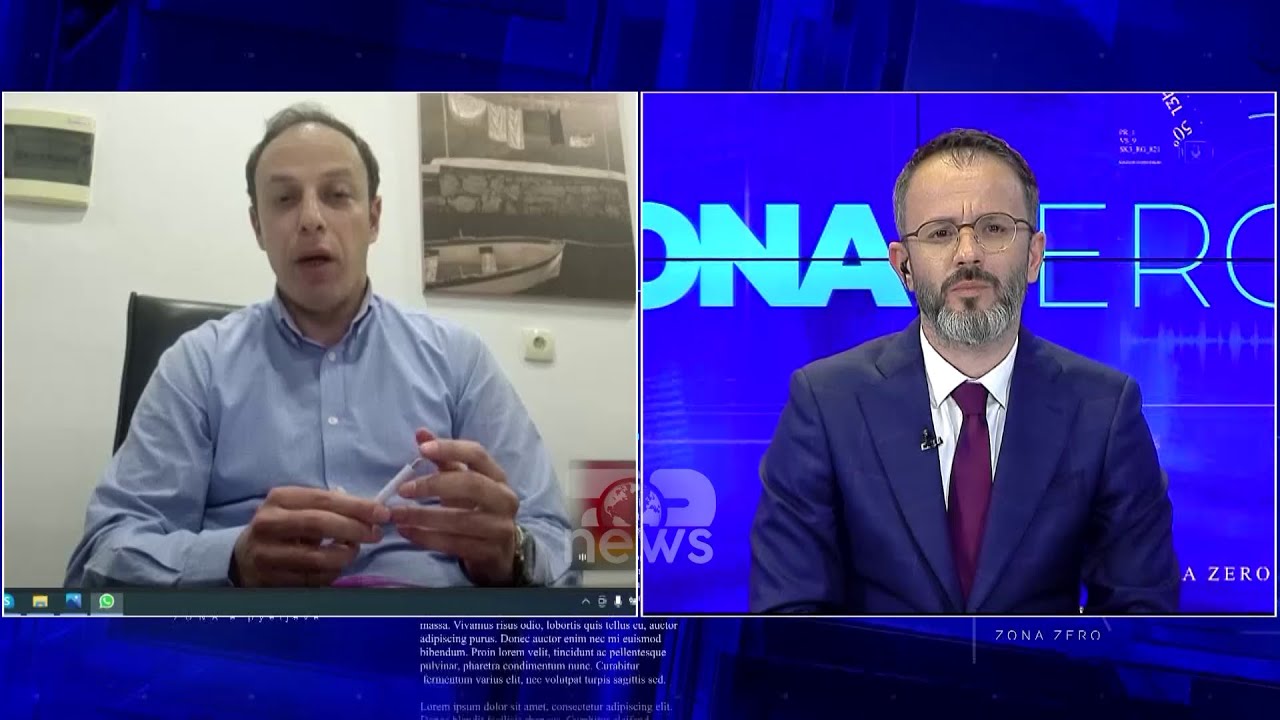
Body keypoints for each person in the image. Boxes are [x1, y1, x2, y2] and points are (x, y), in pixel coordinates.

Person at [66, 104, 575, 589]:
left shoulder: (459, 361)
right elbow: (100, 559)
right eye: (285, 199)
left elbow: (558, 548)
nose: (311, 218)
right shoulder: (196, 366)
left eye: (337, 194)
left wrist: (512, 555)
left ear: (373, 218)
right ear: (258, 227)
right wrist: (233, 559)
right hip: (255, 634)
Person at [750, 128, 1179, 615]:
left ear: (1034, 255)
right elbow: (789, 616)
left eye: (994, 228)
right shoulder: (825, 403)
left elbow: (1141, 615)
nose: (968, 253)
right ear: (904, 267)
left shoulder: (1105, 409)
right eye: (940, 233)